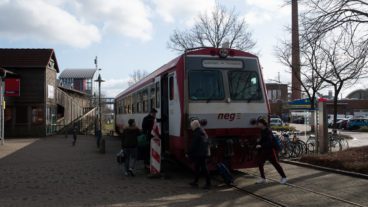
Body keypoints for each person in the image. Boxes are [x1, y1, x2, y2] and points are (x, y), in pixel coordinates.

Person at [256, 118, 287, 184]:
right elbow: (262, 140)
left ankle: (284, 177)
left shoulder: (268, 131)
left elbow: (270, 142)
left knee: (275, 164)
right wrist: (258, 143)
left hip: (271, 150)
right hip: (265, 150)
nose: (257, 124)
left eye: (258, 123)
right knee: (260, 163)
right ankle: (263, 178)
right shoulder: (262, 130)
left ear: (262, 123)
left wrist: (261, 145)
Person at [188, 120, 211, 189]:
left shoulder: (197, 133)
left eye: (191, 126)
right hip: (203, 152)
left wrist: (188, 152)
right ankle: (195, 181)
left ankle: (208, 184)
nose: (191, 128)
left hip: (201, 153)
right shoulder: (202, 131)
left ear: (194, 126)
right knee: (197, 167)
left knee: (204, 168)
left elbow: (193, 145)